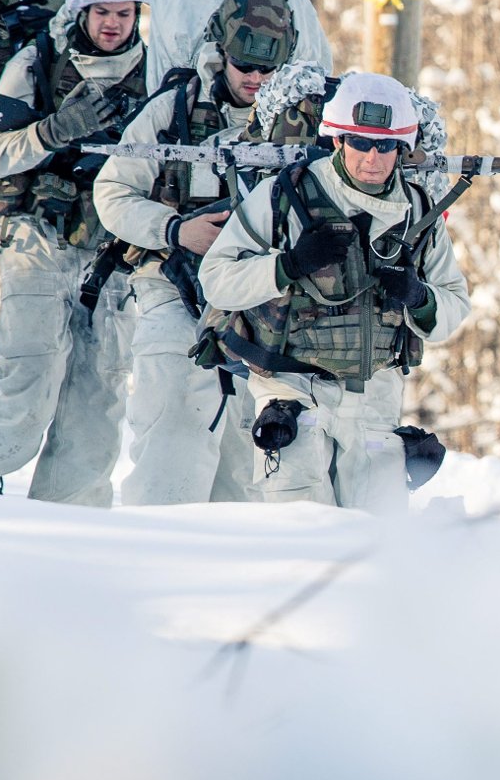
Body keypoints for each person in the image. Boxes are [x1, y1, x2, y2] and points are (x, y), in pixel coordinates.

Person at [197, 71, 469, 511]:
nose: (372, 158)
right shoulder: (285, 197)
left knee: (379, 532)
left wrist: (419, 298)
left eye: (385, 146)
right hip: (292, 387)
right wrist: (288, 266)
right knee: (299, 521)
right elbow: (217, 280)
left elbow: (455, 304)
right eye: (360, 142)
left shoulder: (419, 212)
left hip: (375, 393)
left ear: (401, 149)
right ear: (338, 140)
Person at [0, 0, 157, 502]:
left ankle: (71, 516)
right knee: (32, 369)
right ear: (82, 10)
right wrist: (54, 130)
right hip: (37, 236)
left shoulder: (161, 69)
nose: (113, 24)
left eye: (124, 13)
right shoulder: (37, 62)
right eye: (102, 12)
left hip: (115, 249)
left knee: (100, 390)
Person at [93, 0, 304, 505]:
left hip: (263, 297)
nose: (254, 80)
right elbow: (112, 191)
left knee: (249, 446)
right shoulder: (175, 110)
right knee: (175, 419)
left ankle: (228, 562)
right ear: (221, 53)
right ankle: (156, 538)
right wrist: (173, 229)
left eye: (267, 71)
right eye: (243, 66)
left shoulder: (305, 121)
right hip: (174, 285)